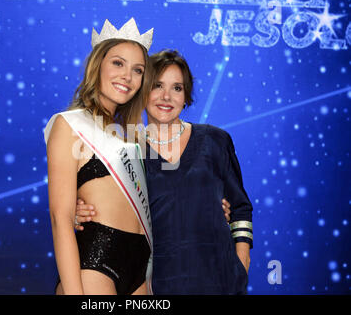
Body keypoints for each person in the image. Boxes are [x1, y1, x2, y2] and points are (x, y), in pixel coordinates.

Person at [76, 50, 253, 294]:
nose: (166, 96)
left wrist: (241, 263)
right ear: (142, 90)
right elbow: (112, 212)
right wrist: (79, 212)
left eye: (177, 88)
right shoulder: (126, 150)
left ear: (186, 95)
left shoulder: (215, 140)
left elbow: (240, 207)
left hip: (219, 279)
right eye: (157, 86)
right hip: (158, 283)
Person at [44, 18, 155, 295]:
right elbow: (61, 218)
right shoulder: (69, 124)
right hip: (96, 260)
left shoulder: (138, 137)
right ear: (98, 65)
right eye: (118, 63)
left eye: (137, 70)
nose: (127, 77)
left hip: (142, 269)